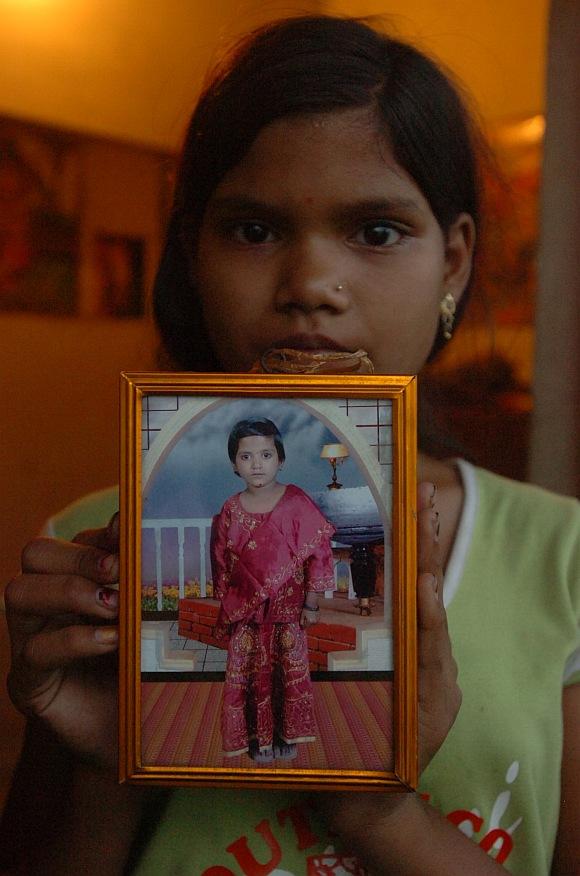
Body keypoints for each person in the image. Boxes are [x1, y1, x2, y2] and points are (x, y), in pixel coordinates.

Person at [2, 14, 578, 875]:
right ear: (194, 254)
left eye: (377, 230)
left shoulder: (563, 559)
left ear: (453, 263)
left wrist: (378, 811)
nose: (311, 284)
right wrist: (103, 762)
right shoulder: (92, 547)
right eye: (253, 229)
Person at [211, 417, 334, 763]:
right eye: (246, 457)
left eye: (265, 455)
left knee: (286, 673)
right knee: (249, 674)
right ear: (234, 464)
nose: (257, 464)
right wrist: (229, 604)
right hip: (247, 615)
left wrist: (311, 603)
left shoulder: (296, 502)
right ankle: (255, 738)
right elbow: (221, 561)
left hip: (288, 612)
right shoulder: (231, 510)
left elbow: (318, 552)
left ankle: (284, 735)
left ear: (280, 459)